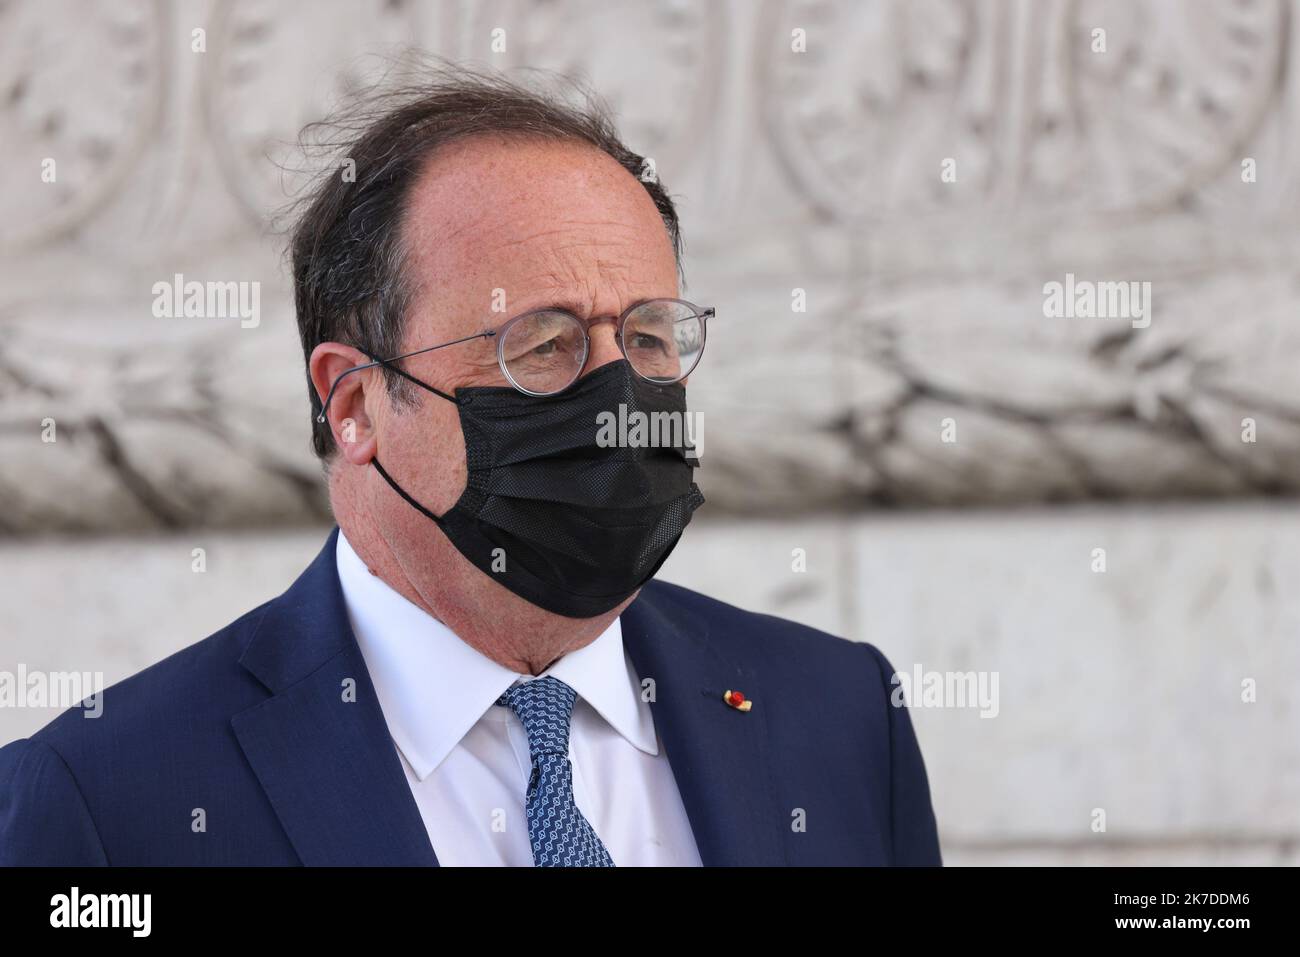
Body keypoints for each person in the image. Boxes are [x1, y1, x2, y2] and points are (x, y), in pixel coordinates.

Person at [0, 64, 940, 866]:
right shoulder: (107, 801)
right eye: (542, 345)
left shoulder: (840, 717)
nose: (618, 402)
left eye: (649, 337)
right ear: (356, 402)